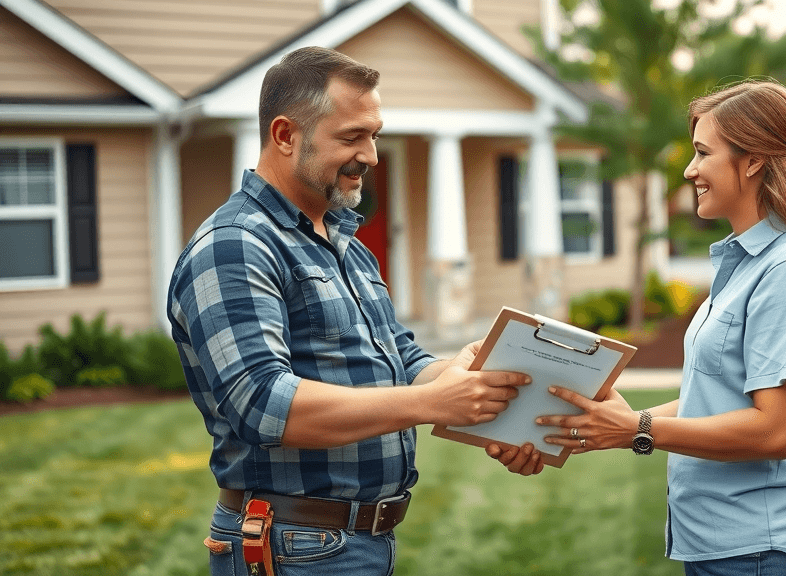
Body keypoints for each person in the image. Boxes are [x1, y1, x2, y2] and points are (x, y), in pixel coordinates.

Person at [168, 46, 541, 576]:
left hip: (354, 542)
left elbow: (400, 359)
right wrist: (432, 402)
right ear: (285, 135)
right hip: (291, 545)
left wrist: (472, 379)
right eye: (351, 137)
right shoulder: (235, 244)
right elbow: (262, 402)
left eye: (374, 135)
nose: (371, 155)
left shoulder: (345, 242)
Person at [496, 80, 786, 575]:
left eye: (703, 153)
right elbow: (719, 397)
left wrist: (640, 429)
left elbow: (775, 431)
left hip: (762, 551)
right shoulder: (750, 263)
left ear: (753, 160)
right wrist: (618, 424)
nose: (690, 170)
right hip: (725, 547)